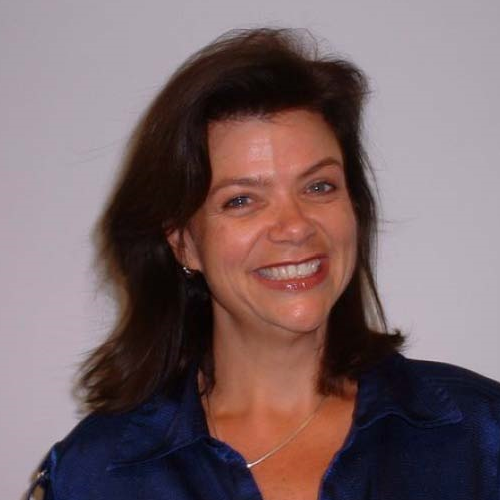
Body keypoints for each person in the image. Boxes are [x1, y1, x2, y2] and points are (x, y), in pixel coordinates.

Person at [28, 28, 500, 500]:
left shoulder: (481, 435)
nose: (295, 226)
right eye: (241, 200)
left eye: (319, 187)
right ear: (183, 243)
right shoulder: (94, 474)